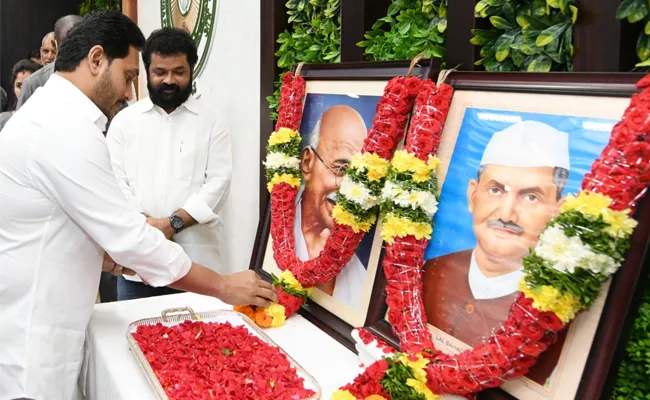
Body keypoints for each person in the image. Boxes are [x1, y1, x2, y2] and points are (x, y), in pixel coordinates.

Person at [0, 10, 275, 399]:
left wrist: (113, 256)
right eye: (130, 75)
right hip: (33, 343)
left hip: (48, 320)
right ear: (96, 60)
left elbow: (64, 223)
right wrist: (223, 285)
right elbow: (129, 236)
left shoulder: (54, 117)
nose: (130, 91)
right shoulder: (63, 129)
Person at [422, 120, 571, 385]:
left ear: (557, 213)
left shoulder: (559, 316)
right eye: (495, 190)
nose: (506, 213)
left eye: (531, 197)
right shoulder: (428, 272)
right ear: (472, 195)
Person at [106, 27, 232, 300]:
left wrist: (171, 223)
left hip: (198, 264)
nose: (169, 80)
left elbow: (218, 183)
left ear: (192, 71)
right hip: (138, 264)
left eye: (179, 71)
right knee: (129, 337)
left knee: (202, 339)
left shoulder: (212, 121)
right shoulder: (124, 122)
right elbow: (115, 183)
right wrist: (147, 229)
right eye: (160, 72)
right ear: (147, 71)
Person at [296, 105, 368, 308]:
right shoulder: (276, 229)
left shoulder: (362, 281)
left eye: (358, 176)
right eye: (342, 168)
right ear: (307, 162)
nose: (350, 190)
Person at [16, 15, 83, 110]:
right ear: (55, 43)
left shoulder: (94, 79)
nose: (49, 56)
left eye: (78, 44)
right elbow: (20, 123)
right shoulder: (32, 84)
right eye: (45, 51)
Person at [0, 59, 41, 131]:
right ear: (13, 87)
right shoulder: (3, 119)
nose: (23, 91)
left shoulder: (46, 121)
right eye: (19, 86)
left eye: (28, 86)